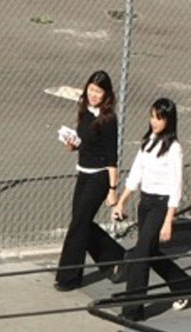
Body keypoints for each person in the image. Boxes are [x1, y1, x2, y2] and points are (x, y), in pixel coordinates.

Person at [112, 97, 189, 315]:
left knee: (142, 255)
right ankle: (183, 285)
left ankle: (132, 310)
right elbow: (136, 173)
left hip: (161, 205)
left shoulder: (174, 149)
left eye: (160, 118)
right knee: (150, 251)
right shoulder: (148, 141)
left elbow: (176, 187)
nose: (154, 122)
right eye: (152, 116)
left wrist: (168, 222)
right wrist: (122, 201)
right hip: (145, 202)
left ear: (169, 120)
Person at [54, 71, 126, 292]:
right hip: (83, 174)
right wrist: (70, 143)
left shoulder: (108, 120)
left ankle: (68, 277)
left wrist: (112, 189)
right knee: (81, 222)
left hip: (99, 177)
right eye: (91, 90)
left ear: (106, 95)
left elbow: (112, 157)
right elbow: (80, 144)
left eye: (98, 91)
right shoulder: (85, 112)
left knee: (77, 226)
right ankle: (115, 257)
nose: (94, 95)